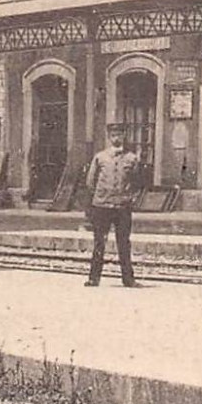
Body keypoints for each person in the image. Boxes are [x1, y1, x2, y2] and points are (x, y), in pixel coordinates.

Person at [83, 122, 141, 287]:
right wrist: (99, 198)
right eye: (114, 135)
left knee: (124, 243)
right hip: (102, 206)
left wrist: (131, 198)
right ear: (109, 137)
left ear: (124, 136)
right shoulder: (100, 157)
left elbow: (137, 182)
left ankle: (128, 279)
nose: (117, 138)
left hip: (123, 207)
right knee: (99, 242)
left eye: (120, 135)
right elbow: (90, 182)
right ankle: (94, 278)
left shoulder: (132, 158)